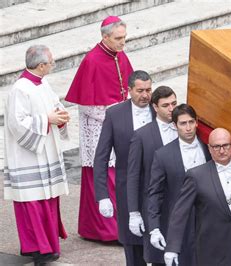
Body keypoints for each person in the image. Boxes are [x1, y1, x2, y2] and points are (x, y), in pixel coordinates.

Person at [65, 15, 133, 241]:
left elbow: (129, 88)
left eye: (124, 38)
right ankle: (108, 231)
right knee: (104, 176)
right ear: (105, 37)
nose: (122, 43)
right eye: (118, 38)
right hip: (97, 127)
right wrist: (115, 115)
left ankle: (102, 228)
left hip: (118, 124)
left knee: (118, 175)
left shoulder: (120, 56)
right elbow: (86, 105)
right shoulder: (92, 61)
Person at [3, 45, 70, 264]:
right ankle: (38, 249)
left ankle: (48, 245)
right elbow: (16, 123)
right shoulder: (20, 89)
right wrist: (47, 120)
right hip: (28, 156)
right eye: (51, 63)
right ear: (41, 65)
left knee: (47, 200)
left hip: (45, 152)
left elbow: (53, 105)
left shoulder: (43, 83)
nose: (52, 66)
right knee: (32, 202)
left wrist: (60, 115)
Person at [164, 128, 231, 266]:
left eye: (225, 145)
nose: (222, 151)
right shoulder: (196, 175)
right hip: (211, 249)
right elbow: (180, 212)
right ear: (209, 148)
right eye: (216, 146)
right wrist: (172, 247)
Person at [94, 70, 154, 266]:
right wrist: (103, 196)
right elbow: (101, 157)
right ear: (129, 90)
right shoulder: (114, 114)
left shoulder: (160, 110)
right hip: (128, 190)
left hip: (157, 188)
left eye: (148, 90)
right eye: (140, 90)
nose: (145, 95)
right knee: (133, 246)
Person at [147, 104, 211, 265]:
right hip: (180, 223)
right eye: (183, 123)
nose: (188, 128)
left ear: (197, 122)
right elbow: (155, 193)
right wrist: (154, 227)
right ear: (175, 125)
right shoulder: (163, 155)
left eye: (191, 122)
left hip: (209, 219)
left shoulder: (210, 149)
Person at [127, 86, 178, 265]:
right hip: (157, 206)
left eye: (174, 104)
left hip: (183, 202)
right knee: (159, 257)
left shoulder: (185, 127)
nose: (171, 109)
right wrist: (133, 212)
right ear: (155, 107)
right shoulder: (141, 136)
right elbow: (133, 176)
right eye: (165, 105)